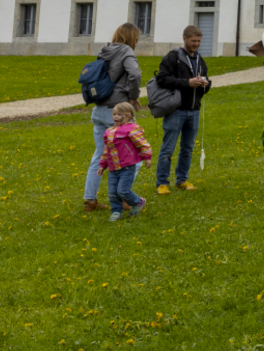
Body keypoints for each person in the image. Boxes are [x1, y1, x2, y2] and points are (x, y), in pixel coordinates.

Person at [83, 23, 143, 213]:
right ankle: (124, 197)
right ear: (131, 38)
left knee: (100, 155)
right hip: (118, 111)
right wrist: (133, 96)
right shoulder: (126, 51)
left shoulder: (105, 50)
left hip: (99, 108)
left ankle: (90, 200)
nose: (137, 42)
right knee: (135, 156)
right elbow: (135, 74)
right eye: (136, 39)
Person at [154, 26, 212, 195]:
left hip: (194, 110)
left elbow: (206, 82)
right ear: (184, 38)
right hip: (176, 110)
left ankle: (182, 180)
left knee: (187, 148)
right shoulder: (173, 57)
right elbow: (162, 79)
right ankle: (162, 183)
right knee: (168, 149)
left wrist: (205, 84)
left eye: (199, 41)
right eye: (193, 41)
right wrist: (187, 83)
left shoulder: (200, 59)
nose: (196, 44)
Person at [99, 101, 153, 221]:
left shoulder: (132, 129)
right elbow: (106, 150)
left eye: (119, 114)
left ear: (128, 116)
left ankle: (138, 202)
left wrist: (147, 157)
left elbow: (143, 144)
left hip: (127, 167)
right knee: (112, 192)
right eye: (114, 114)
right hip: (113, 168)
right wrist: (102, 165)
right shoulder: (108, 132)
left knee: (122, 191)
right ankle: (116, 211)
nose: (116, 117)